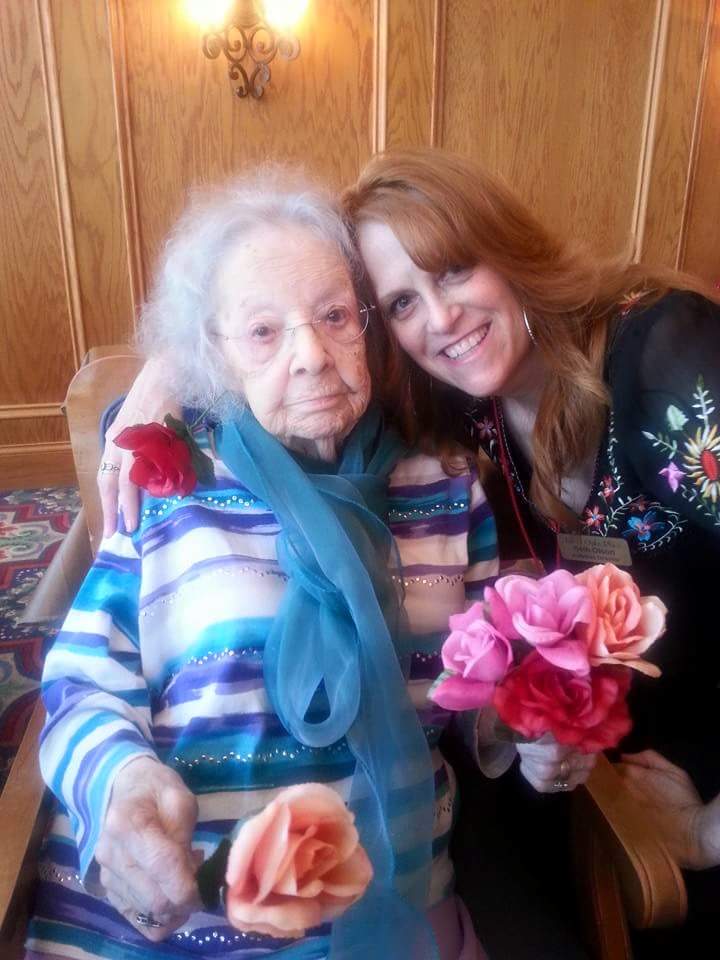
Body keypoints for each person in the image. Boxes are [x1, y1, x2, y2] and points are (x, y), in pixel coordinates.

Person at [101, 148, 720, 954]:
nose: (440, 318)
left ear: (509, 250)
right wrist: (167, 368)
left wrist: (710, 831)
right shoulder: (469, 400)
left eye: (455, 269)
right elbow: (284, 326)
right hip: (619, 753)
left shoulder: (663, 355)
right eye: (399, 301)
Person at [28, 170, 517, 960]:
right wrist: (116, 783)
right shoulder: (171, 495)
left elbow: (492, 694)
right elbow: (83, 681)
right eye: (263, 332)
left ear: (368, 325)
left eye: (333, 317)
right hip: (178, 923)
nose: (312, 358)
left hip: (389, 915)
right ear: (211, 355)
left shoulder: (447, 492)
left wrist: (538, 717)